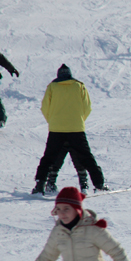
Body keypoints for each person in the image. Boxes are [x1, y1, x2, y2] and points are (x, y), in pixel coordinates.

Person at [31, 64, 108, 194]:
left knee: (48, 158)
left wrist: (53, 121)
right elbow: (87, 107)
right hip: (76, 128)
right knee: (86, 157)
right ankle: (99, 185)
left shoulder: (52, 87)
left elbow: (44, 107)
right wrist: (79, 120)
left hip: (56, 129)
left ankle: (39, 186)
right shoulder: (79, 86)